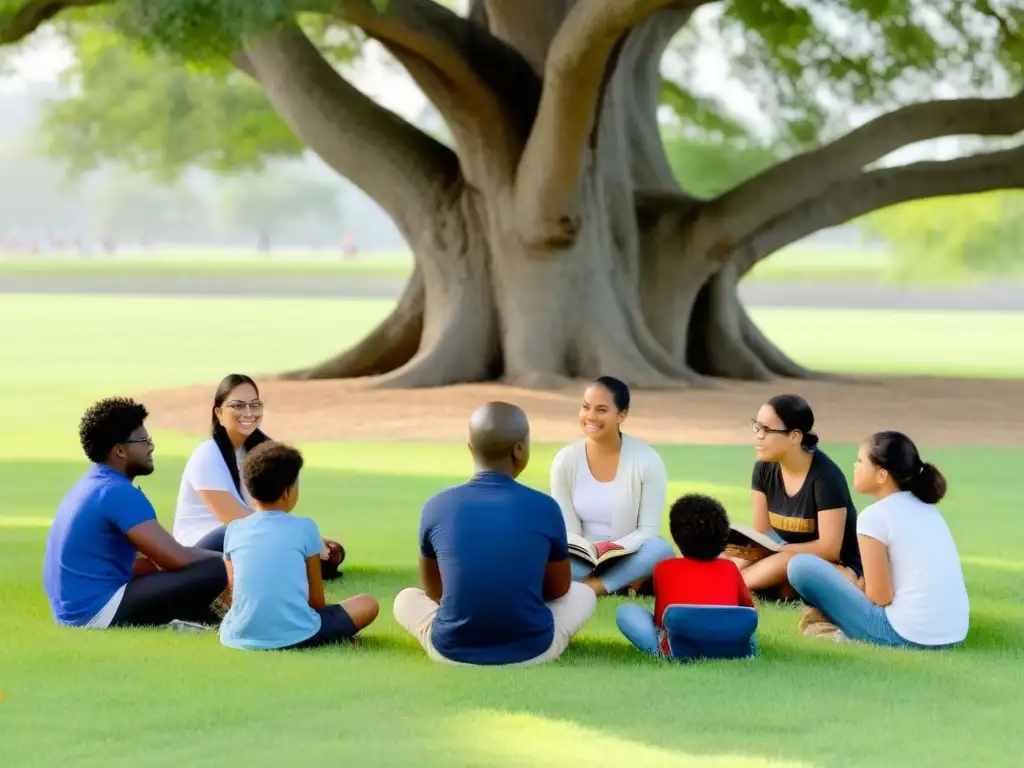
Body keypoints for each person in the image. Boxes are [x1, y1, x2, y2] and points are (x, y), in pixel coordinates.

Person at [393, 401, 597, 666]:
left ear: (470, 449)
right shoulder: (545, 507)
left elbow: (434, 591)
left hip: (451, 652)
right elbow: (558, 590)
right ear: (520, 450)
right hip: (532, 652)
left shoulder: (435, 506)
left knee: (406, 598)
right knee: (583, 594)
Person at [43, 397, 229, 629]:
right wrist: (235, 561)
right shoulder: (116, 492)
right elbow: (174, 558)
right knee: (219, 567)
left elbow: (151, 562)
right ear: (120, 451)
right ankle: (231, 620)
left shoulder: (96, 482)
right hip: (97, 613)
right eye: (143, 440)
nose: (151, 446)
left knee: (228, 536)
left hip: (86, 606)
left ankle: (211, 617)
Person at [788, 431, 969, 648]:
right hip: (954, 635)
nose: (855, 466)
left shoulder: (874, 517)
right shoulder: (928, 509)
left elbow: (880, 597)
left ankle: (837, 627)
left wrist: (852, 588)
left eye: (860, 461)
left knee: (800, 566)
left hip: (905, 636)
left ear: (881, 475)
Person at [171, 374, 344, 578]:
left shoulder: (264, 453)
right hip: (205, 548)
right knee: (244, 533)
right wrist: (301, 538)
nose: (248, 413)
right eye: (238, 406)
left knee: (335, 551)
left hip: (248, 537)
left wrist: (307, 539)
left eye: (255, 405)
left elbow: (278, 507)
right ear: (219, 412)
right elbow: (235, 519)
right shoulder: (207, 454)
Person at [219, 441, 379, 650]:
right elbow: (316, 602)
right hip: (298, 633)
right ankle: (328, 638)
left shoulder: (234, 529)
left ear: (250, 491)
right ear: (287, 492)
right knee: (367, 603)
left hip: (238, 635)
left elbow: (234, 594)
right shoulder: (305, 527)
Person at [549, 376, 674, 597]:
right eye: (586, 407)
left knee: (660, 549)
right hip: (582, 555)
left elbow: (647, 531)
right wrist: (588, 550)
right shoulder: (565, 460)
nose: (590, 417)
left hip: (628, 553)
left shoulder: (647, 460)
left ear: (622, 415)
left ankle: (598, 586)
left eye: (601, 410)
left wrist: (611, 549)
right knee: (542, 557)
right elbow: (568, 530)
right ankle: (626, 582)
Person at [734, 394, 862, 599]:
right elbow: (762, 533)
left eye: (766, 430)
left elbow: (830, 549)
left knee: (790, 562)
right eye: (756, 427)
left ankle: (729, 586)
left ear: (795, 436)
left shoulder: (825, 477)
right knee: (731, 560)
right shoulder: (763, 469)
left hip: (834, 566)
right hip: (785, 554)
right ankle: (746, 583)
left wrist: (781, 550)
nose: (758, 436)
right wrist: (740, 554)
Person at [617, 493, 756, 658]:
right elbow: (749, 608)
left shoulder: (664, 568)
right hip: (731, 645)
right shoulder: (730, 567)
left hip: (680, 646)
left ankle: (665, 654)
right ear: (723, 534)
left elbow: (662, 620)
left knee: (625, 612)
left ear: (676, 535)